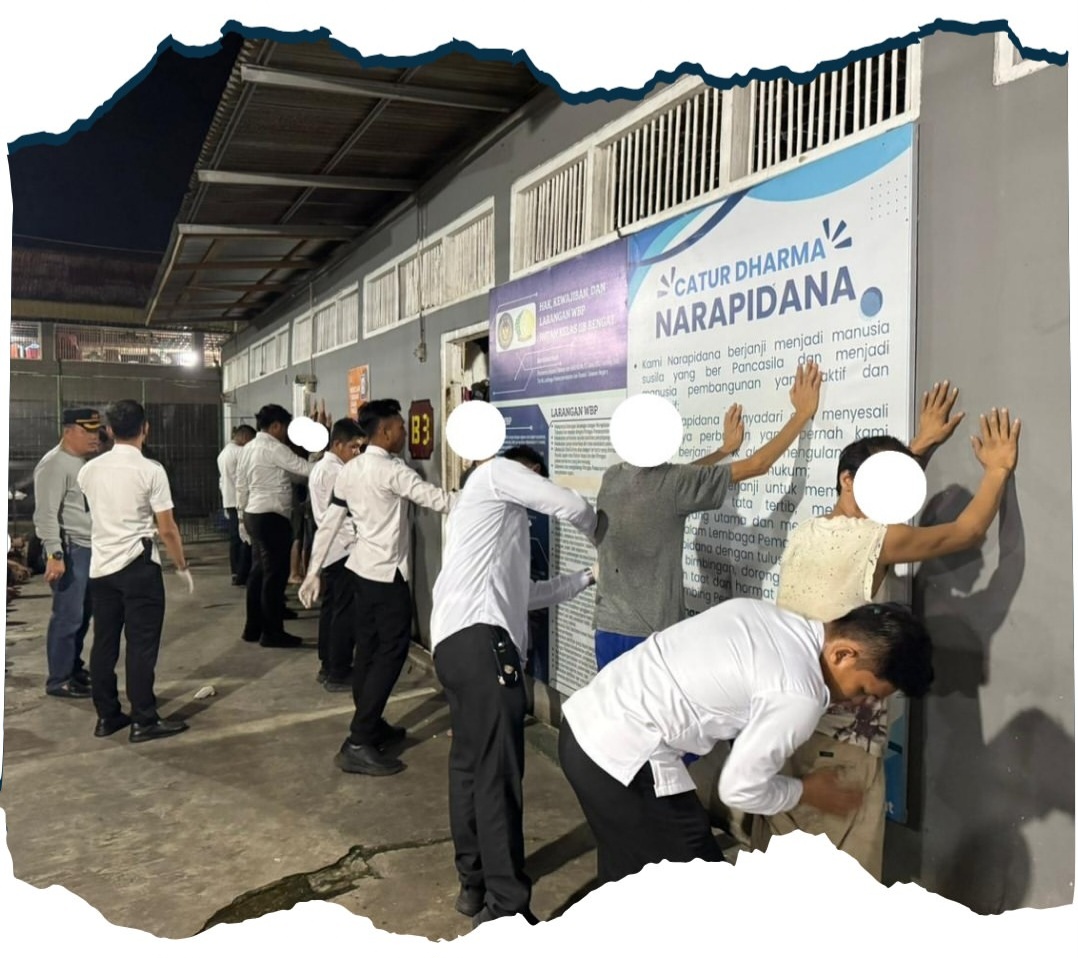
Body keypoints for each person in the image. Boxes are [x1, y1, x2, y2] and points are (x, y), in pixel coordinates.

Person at [752, 391, 1021, 880]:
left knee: (779, 869)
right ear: (847, 480)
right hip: (841, 744)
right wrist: (998, 470)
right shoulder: (877, 539)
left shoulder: (809, 530)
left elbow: (877, 495)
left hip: (786, 729)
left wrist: (919, 445)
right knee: (843, 885)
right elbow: (965, 533)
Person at [558, 597, 934, 888]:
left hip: (583, 727)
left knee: (633, 886)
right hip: (625, 760)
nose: (856, 704)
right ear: (843, 653)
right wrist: (806, 791)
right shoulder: (799, 694)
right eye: (863, 690)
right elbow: (739, 789)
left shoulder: (764, 615)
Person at [430, 445, 598, 927]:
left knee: (468, 769)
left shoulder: (481, 523)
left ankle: (473, 884)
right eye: (537, 477)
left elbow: (525, 595)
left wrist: (587, 577)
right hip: (483, 649)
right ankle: (507, 909)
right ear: (528, 472)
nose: (536, 487)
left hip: (454, 648)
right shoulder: (496, 474)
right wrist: (605, 539)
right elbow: (572, 505)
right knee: (498, 778)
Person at [591, 361, 823, 672]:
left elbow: (676, 480)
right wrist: (802, 414)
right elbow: (758, 465)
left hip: (607, 627)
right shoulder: (672, 485)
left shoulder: (613, 477)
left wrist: (724, 450)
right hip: (649, 638)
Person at [299, 399, 455, 775]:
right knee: (391, 653)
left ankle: (371, 724)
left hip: (360, 572)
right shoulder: (392, 471)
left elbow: (329, 523)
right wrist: (485, 493)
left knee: (367, 653)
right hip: (387, 578)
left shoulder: (350, 470)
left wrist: (312, 571)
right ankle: (359, 739)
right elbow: (439, 500)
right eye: (400, 426)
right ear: (384, 431)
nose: (405, 432)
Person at [77, 399, 195, 742]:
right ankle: (144, 719)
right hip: (138, 565)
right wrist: (181, 563)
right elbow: (167, 528)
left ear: (109, 430)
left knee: (104, 643)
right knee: (141, 645)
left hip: (101, 567)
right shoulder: (151, 470)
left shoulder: (89, 471)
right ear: (145, 429)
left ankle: (107, 715)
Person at [32, 407, 101, 699]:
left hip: (87, 548)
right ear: (69, 431)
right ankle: (59, 679)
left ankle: (72, 669)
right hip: (70, 549)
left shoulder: (79, 461)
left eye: (97, 431)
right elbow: (46, 514)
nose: (95, 437)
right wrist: (54, 555)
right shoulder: (54, 464)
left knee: (82, 616)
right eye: (88, 431)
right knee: (67, 617)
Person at [236, 405, 313, 648]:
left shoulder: (248, 448)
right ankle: (272, 633)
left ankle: (253, 628)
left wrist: (241, 517)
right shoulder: (274, 448)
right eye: (286, 428)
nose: (287, 433)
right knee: (274, 576)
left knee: (259, 572)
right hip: (271, 517)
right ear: (276, 426)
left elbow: (241, 483)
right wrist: (329, 462)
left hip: (253, 514)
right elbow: (304, 469)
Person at [308, 418, 366, 690]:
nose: (356, 453)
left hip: (332, 548)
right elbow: (341, 517)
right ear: (338, 444)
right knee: (345, 612)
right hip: (342, 548)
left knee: (332, 609)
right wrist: (356, 543)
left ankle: (328, 664)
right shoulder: (335, 472)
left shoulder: (322, 468)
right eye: (353, 447)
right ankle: (339, 670)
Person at [217, 424, 256, 586]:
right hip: (241, 500)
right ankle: (243, 572)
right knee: (245, 538)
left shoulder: (223, 453)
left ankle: (235, 572)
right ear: (245, 437)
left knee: (234, 538)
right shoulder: (241, 452)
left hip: (229, 499)